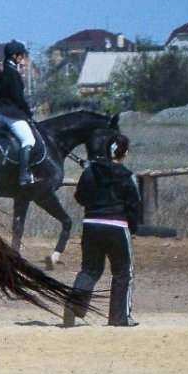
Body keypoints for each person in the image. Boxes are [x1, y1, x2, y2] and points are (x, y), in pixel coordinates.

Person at [63, 133, 141, 327]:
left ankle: (74, 305)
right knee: (123, 272)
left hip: (91, 225)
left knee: (89, 270)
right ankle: (119, 318)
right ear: (126, 152)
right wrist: (133, 227)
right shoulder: (127, 175)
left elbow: (80, 197)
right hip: (117, 226)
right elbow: (134, 206)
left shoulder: (90, 172)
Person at [0, 39, 36, 186]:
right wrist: (28, 113)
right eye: (22, 55)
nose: (23, 58)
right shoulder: (12, 73)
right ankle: (24, 175)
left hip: (0, 112)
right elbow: (18, 97)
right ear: (15, 56)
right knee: (28, 140)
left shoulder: (2, 71)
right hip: (11, 114)